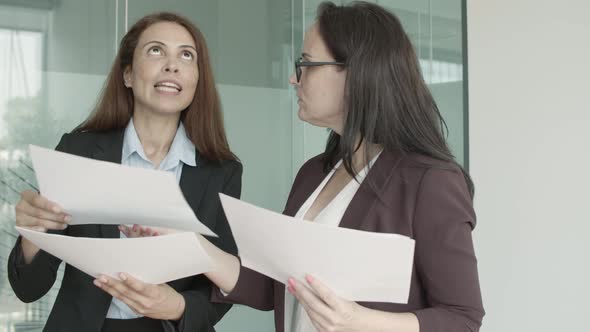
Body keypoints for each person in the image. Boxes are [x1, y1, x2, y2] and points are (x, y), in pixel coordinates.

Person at [7, 12, 241, 332]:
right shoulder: (80, 152)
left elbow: (224, 283)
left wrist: (178, 306)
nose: (172, 64)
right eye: (156, 51)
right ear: (128, 74)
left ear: (197, 80)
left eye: (186, 55)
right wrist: (32, 235)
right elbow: (29, 288)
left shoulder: (221, 171)